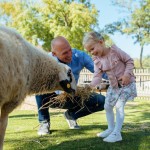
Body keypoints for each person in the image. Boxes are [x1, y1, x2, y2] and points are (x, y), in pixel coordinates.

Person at [36, 36, 108, 136]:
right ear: (54, 54)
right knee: (40, 88)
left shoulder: (80, 56)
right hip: (52, 98)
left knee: (102, 101)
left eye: (70, 50)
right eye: (65, 53)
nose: (70, 54)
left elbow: (99, 70)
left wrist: (118, 77)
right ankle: (44, 122)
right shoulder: (47, 61)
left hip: (72, 95)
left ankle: (72, 115)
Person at [83, 31, 137, 143]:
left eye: (92, 49)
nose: (92, 53)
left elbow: (129, 61)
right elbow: (97, 76)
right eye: (90, 51)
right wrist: (90, 86)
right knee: (107, 106)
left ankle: (117, 134)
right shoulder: (97, 60)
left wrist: (127, 74)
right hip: (114, 86)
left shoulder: (115, 51)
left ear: (101, 42)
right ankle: (111, 129)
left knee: (119, 106)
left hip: (127, 83)